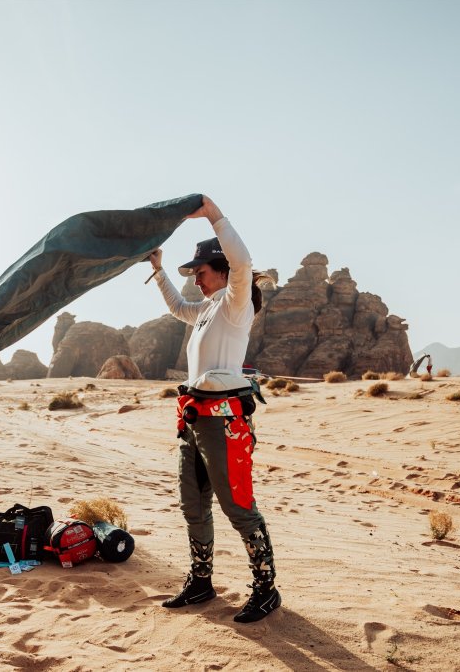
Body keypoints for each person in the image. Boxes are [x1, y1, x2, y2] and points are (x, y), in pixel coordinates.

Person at [146, 196, 281, 623]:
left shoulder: (235, 301)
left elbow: (243, 264)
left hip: (224, 420)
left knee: (238, 506)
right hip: (193, 419)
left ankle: (266, 589)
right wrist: (158, 269)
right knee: (193, 504)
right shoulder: (205, 309)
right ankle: (201, 581)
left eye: (201, 271)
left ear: (221, 270)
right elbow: (177, 307)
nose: (197, 280)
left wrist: (215, 216)